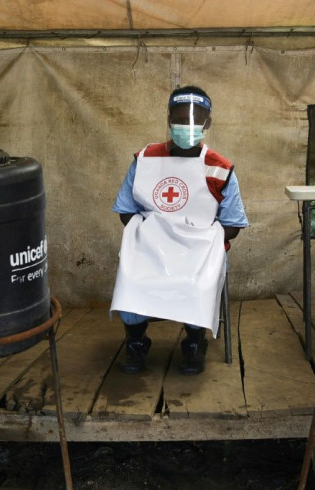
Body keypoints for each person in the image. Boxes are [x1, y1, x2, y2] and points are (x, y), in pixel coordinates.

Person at [111, 86, 248, 375]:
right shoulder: (146, 160)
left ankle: (195, 344)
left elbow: (232, 224)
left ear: (207, 123)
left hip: (196, 253)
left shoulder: (219, 168)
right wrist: (155, 239)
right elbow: (126, 210)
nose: (187, 125)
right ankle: (136, 342)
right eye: (179, 118)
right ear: (168, 119)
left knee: (199, 279)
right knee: (132, 273)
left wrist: (195, 245)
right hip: (150, 248)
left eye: (195, 119)